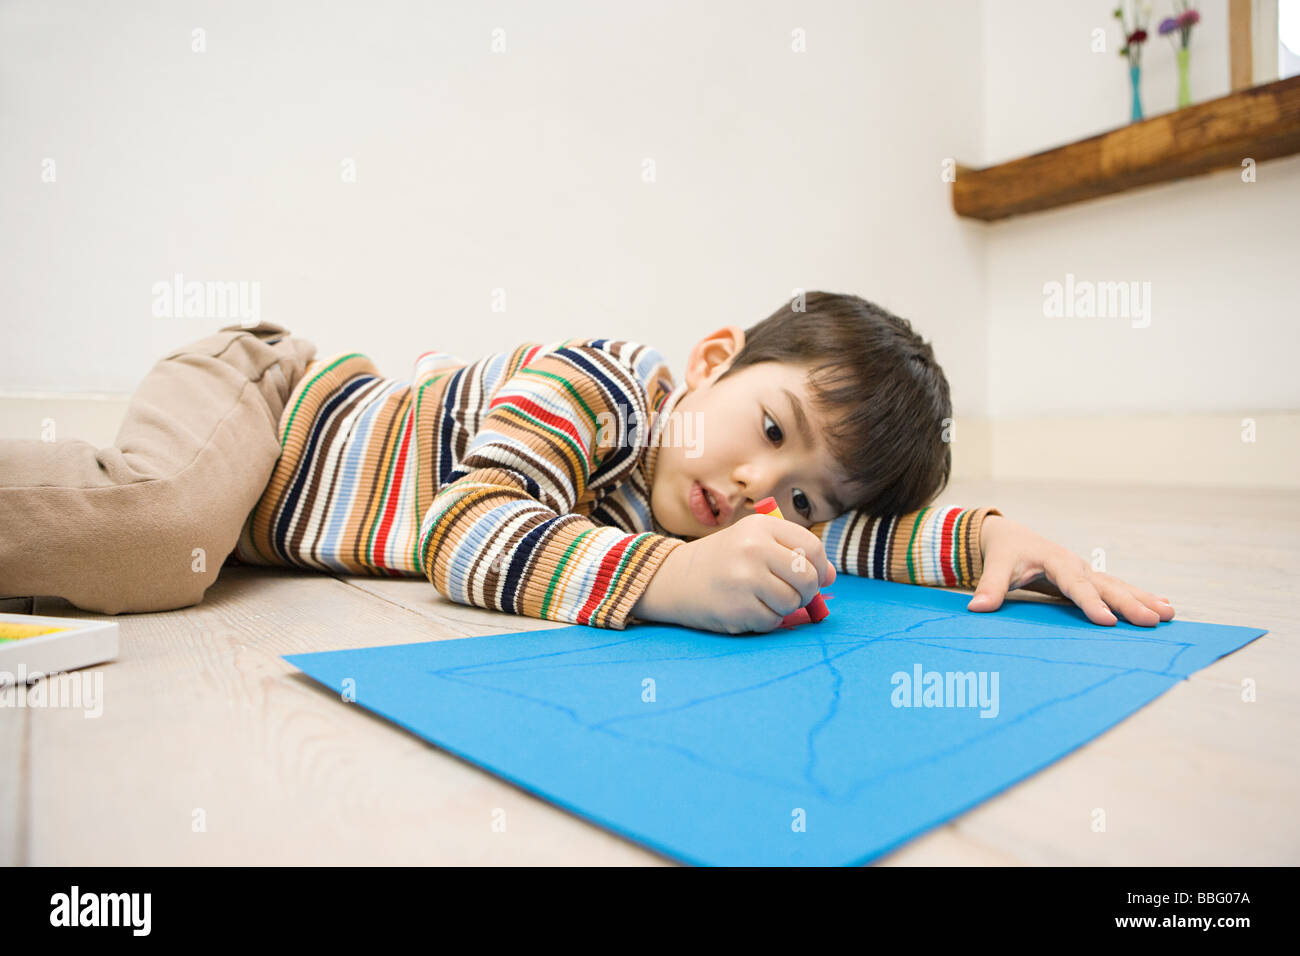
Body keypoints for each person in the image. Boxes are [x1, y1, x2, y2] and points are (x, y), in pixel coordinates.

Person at [0, 292, 1175, 633]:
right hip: (270, 405)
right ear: (710, 362)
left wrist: (994, 541)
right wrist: (662, 584)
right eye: (768, 429)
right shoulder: (610, 382)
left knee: (170, 536)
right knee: (154, 533)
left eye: (802, 492)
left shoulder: (711, 513)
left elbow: (864, 538)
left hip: (266, 514)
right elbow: (464, 529)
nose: (765, 493)